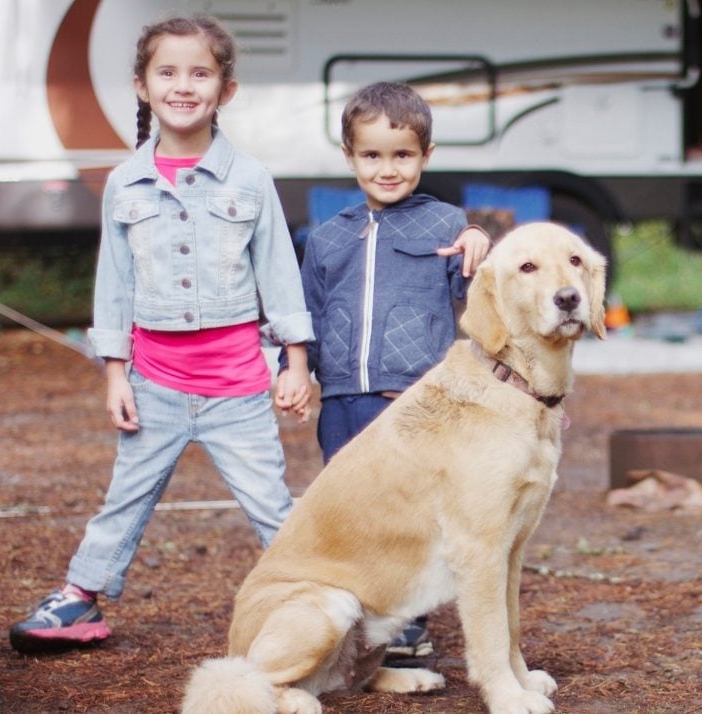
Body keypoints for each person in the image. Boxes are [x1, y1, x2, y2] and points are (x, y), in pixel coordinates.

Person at [8, 15, 313, 655]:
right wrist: (115, 372)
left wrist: (295, 361)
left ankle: (320, 597)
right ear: (143, 86)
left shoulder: (250, 179)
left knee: (272, 506)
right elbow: (114, 285)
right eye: (167, 72)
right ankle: (79, 600)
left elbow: (280, 274)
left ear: (225, 90)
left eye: (200, 73)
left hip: (238, 386)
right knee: (124, 500)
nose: (183, 86)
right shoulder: (125, 182)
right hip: (156, 386)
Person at [274, 81, 490, 657]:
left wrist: (479, 240)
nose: (387, 169)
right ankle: (361, 609)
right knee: (354, 508)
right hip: (344, 399)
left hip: (414, 400)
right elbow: (309, 314)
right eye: (372, 155)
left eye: (403, 155)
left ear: (426, 156)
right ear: (350, 156)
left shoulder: (447, 225)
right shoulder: (327, 238)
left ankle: (409, 620)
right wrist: (295, 371)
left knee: (412, 511)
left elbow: (476, 292)